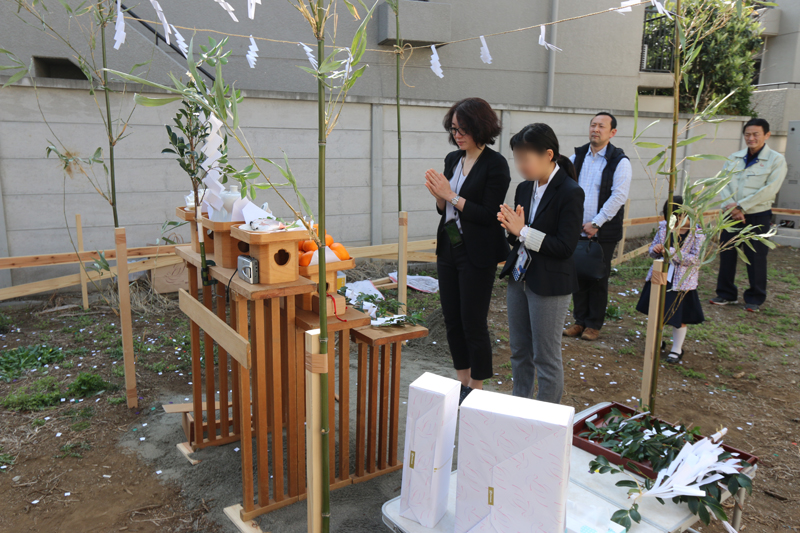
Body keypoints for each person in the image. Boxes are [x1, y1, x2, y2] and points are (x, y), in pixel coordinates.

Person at [425, 98, 510, 404]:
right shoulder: (452, 159)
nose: (457, 134)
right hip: (449, 245)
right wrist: (439, 197)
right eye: (454, 128)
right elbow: (444, 208)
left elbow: (488, 214)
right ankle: (461, 380)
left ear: (480, 127)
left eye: (463, 129)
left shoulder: (495, 164)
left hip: (478, 252)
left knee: (473, 320)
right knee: (452, 317)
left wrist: (450, 194)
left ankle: (477, 385)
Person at [497, 123, 584, 404]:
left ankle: (545, 419)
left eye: (525, 158)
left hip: (550, 283)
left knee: (545, 356)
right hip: (520, 277)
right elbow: (519, 239)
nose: (520, 165)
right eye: (517, 158)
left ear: (548, 155)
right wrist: (512, 230)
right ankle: (519, 406)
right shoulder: (524, 188)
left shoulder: (570, 192)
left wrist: (522, 231)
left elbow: (565, 246)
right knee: (519, 351)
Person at [563, 112, 632, 341]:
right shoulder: (578, 156)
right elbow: (567, 187)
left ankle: (594, 324)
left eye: (601, 126)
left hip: (602, 230)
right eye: (593, 125)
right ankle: (579, 321)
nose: (595, 129)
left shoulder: (619, 161)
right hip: (577, 229)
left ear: (612, 132)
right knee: (578, 273)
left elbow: (618, 196)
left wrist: (596, 222)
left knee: (598, 276)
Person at [710, 118, 788, 312]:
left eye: (756, 134)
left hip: (757, 216)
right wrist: (732, 208)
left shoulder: (776, 160)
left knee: (756, 257)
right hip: (731, 215)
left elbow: (770, 190)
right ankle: (726, 293)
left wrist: (742, 206)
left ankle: (755, 298)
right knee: (727, 254)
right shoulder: (734, 158)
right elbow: (723, 183)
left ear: (766, 135)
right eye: (747, 134)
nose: (751, 138)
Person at [635, 196, 705, 364]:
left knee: (678, 316)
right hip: (661, 275)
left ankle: (676, 349)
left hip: (682, 281)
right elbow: (653, 250)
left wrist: (673, 253)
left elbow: (697, 259)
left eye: (679, 217)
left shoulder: (697, 234)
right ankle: (657, 342)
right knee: (657, 311)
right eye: (672, 217)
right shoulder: (664, 228)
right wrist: (656, 249)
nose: (676, 221)